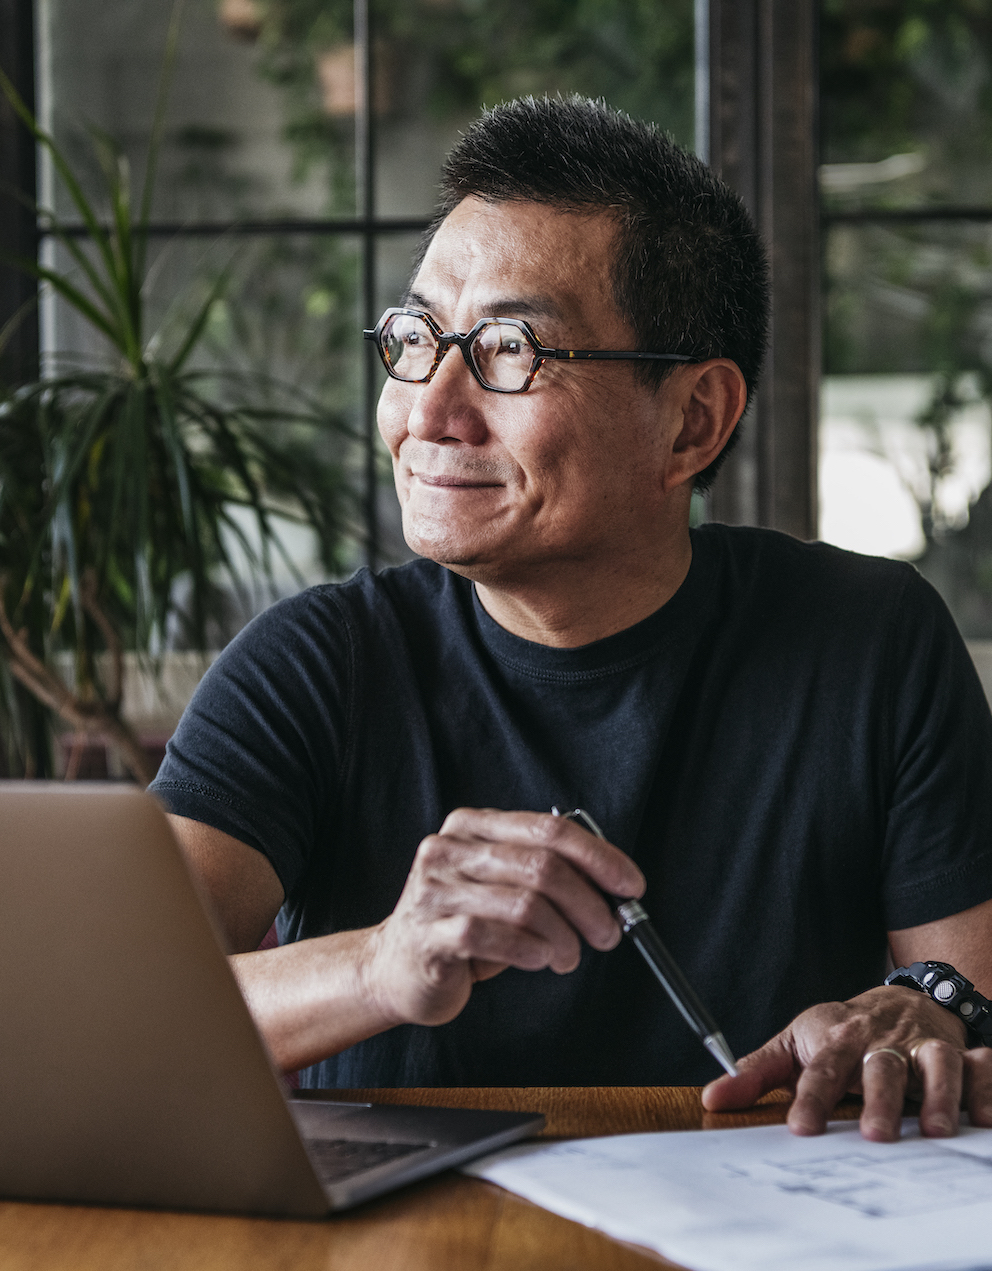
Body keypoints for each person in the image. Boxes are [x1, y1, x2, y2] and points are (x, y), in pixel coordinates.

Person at [152, 95, 992, 1142]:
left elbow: (962, 992)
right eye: (415, 336)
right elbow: (115, 1012)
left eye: (507, 349)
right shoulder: (316, 663)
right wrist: (384, 960)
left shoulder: (868, 641)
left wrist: (924, 1014)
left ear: (692, 420)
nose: (426, 409)